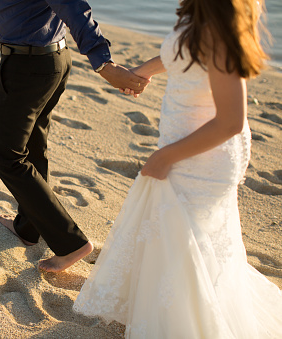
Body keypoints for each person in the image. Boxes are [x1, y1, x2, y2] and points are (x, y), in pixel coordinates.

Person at [74, 0, 282, 337]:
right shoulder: (201, 12)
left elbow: (231, 121)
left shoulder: (221, 29)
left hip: (205, 153)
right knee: (176, 234)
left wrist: (167, 156)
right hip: (182, 139)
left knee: (187, 236)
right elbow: (185, 50)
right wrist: (144, 70)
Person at [0, 0, 149, 272]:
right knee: (31, 145)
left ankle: (70, 243)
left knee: (7, 156)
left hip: (28, 64)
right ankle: (29, 227)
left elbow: (72, 5)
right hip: (46, 59)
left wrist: (104, 64)